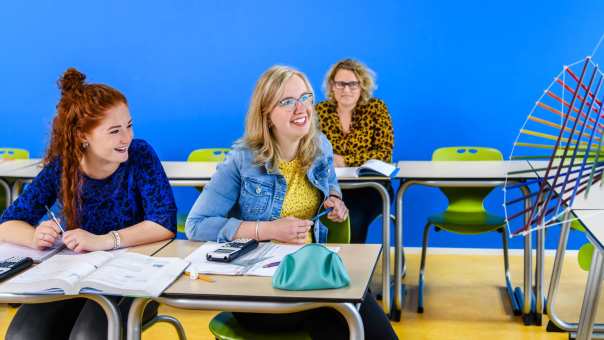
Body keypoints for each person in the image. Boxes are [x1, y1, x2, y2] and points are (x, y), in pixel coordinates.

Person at [186, 65, 397, 340]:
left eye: (306, 98)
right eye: (287, 102)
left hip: (308, 274)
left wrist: (334, 198)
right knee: (343, 311)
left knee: (359, 310)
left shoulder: (320, 146)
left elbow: (329, 182)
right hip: (258, 289)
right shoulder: (242, 159)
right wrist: (268, 230)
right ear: (267, 114)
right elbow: (196, 225)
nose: (302, 109)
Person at [0, 68, 177, 340]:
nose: (126, 138)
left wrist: (103, 240)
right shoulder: (62, 167)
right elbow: (7, 224)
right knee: (23, 335)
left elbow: (164, 224)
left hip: (133, 279)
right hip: (75, 279)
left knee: (87, 336)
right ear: (83, 136)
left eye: (129, 126)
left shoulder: (140, 155)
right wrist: (34, 235)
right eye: (114, 131)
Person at [316, 58, 395, 243]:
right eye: (340, 84)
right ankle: (322, 264)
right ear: (332, 86)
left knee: (353, 218)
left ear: (362, 86)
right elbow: (309, 150)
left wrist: (345, 160)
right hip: (330, 187)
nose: (346, 90)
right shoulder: (319, 111)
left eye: (353, 84)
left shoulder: (377, 109)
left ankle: (351, 268)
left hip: (370, 187)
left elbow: (384, 152)